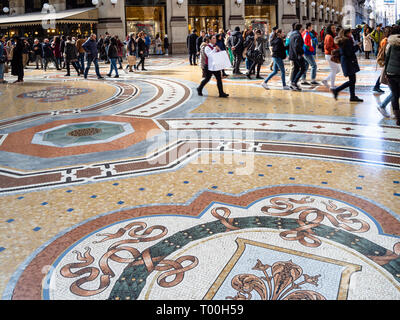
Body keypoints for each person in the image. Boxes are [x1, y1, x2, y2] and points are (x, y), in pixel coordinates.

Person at [331, 28, 363, 102]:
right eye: (350, 33)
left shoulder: (343, 40)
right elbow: (349, 52)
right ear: (347, 33)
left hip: (346, 61)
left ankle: (352, 96)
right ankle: (336, 90)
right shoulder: (347, 40)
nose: (351, 34)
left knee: (352, 80)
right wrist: (357, 46)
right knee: (352, 81)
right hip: (349, 61)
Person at [384, 25, 400, 126]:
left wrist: (386, 72)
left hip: (391, 73)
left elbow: (387, 58)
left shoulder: (390, 43)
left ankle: (398, 118)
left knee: (395, 95)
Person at [376, 26, 393, 118]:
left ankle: (394, 111)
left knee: (395, 92)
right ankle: (382, 106)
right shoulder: (387, 42)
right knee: (395, 92)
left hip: (389, 70)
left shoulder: (388, 41)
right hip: (389, 70)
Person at [322, 24, 341, 89]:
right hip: (330, 55)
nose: (334, 29)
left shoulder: (332, 35)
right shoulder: (329, 36)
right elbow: (328, 47)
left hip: (331, 54)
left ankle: (325, 80)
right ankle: (332, 86)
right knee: (334, 70)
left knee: (337, 70)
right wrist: (336, 50)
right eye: (332, 28)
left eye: (334, 28)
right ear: (329, 29)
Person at [288, 23, 306, 91]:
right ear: (300, 28)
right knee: (303, 68)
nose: (302, 30)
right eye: (302, 28)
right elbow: (297, 46)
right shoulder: (298, 35)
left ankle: (292, 83)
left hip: (292, 55)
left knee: (296, 68)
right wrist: (301, 53)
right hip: (297, 55)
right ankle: (294, 82)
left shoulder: (292, 34)